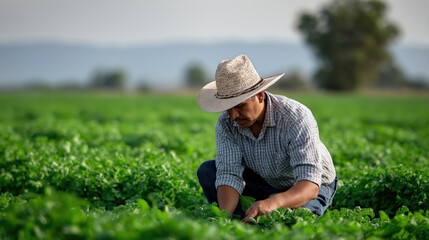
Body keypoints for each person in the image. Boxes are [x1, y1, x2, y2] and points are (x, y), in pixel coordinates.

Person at [196, 54, 337, 223]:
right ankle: (245, 219)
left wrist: (272, 203)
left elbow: (309, 183)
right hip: (264, 180)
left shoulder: (295, 117)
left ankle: (261, 211)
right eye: (228, 108)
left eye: (240, 106)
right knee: (208, 171)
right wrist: (224, 219)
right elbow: (229, 174)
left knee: (297, 221)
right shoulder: (226, 123)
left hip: (307, 184)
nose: (233, 115)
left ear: (260, 96)